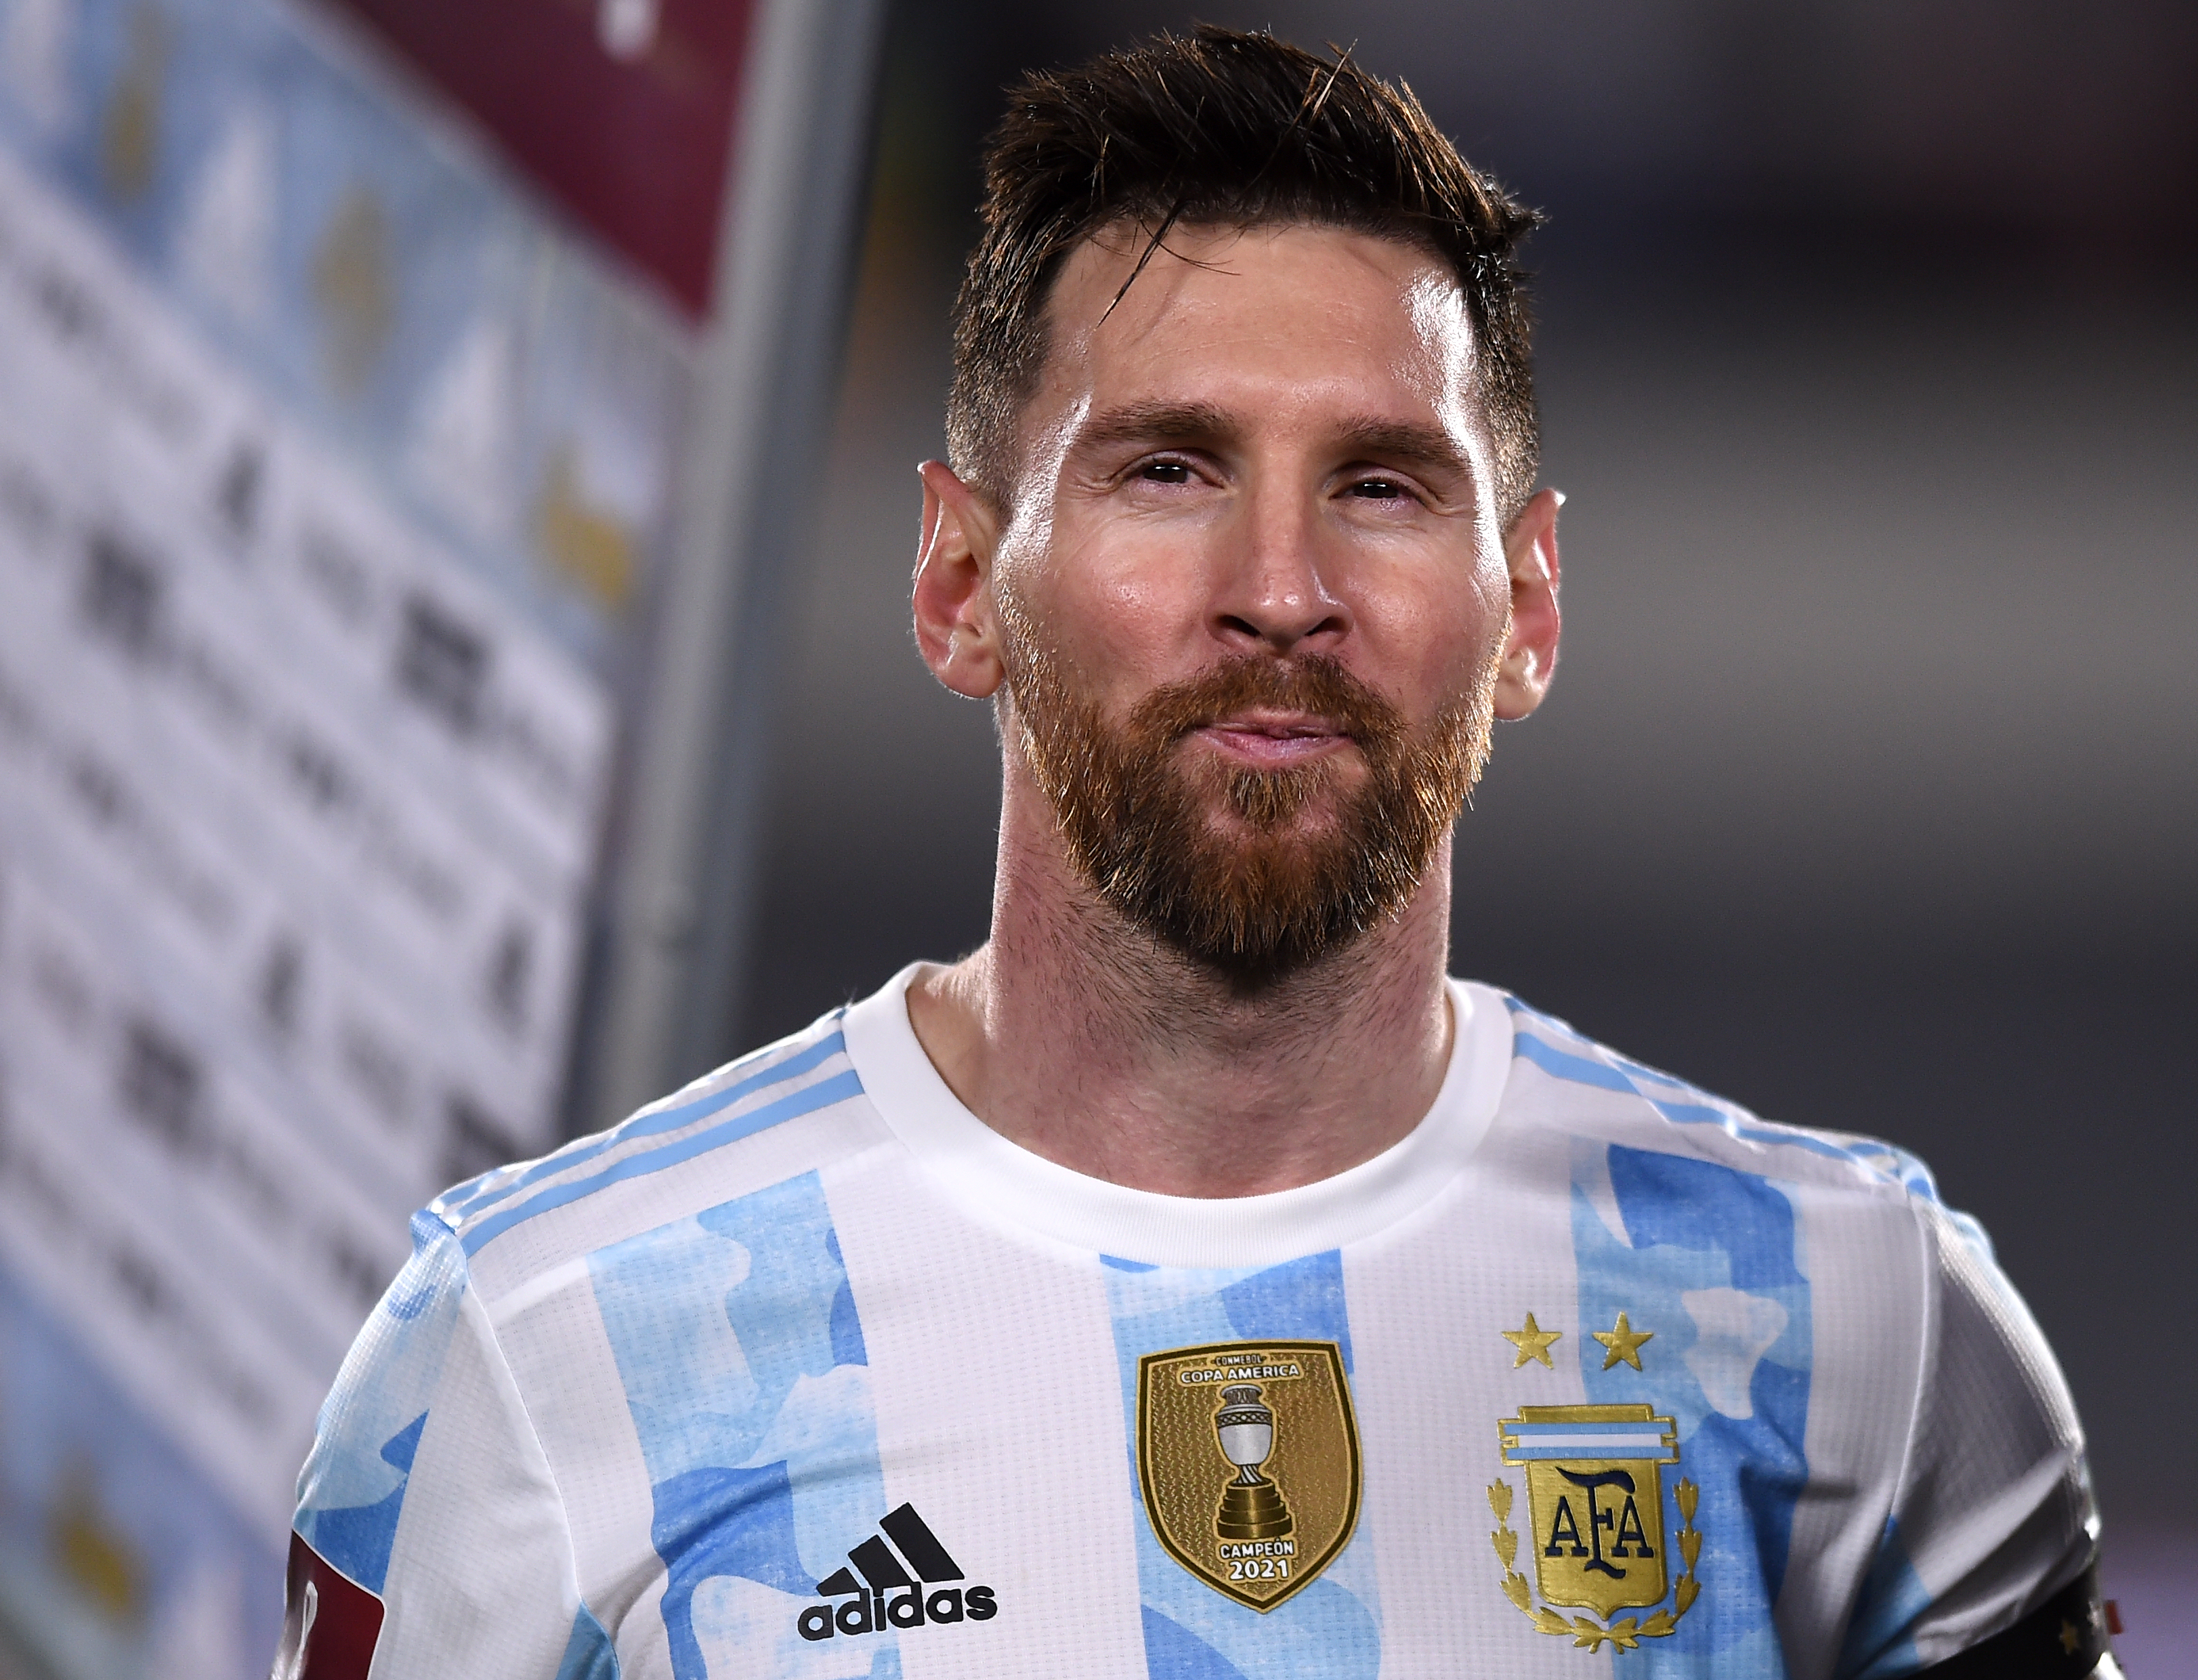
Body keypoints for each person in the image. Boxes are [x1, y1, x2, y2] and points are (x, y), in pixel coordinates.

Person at [275, 27, 2115, 1680]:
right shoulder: (534, 1350)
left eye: (1382, 485)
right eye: (1168, 470)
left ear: (1530, 607)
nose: (1282, 593)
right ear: (957, 581)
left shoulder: (1863, 1320)